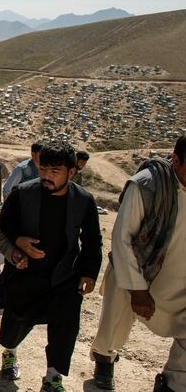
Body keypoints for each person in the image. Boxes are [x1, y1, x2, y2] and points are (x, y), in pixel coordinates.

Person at [0, 141, 102, 392]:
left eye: (55, 172)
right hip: (26, 273)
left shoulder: (83, 200)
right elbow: (4, 226)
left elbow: (91, 240)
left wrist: (88, 272)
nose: (46, 177)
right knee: (15, 322)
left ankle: (53, 377)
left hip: (64, 275)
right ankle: (9, 352)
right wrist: (19, 241)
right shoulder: (23, 193)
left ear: (71, 172)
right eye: (43, 169)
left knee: (65, 326)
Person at [90, 136, 186, 392]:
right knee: (113, 322)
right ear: (176, 160)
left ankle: (173, 381)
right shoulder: (147, 185)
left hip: (177, 277)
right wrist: (138, 289)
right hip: (136, 269)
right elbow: (122, 240)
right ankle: (104, 359)